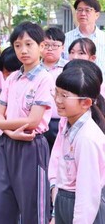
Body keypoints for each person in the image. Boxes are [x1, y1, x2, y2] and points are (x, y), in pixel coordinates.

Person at [0, 21, 54, 224]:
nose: (23, 50)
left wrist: (0, 126)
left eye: (29, 44)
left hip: (31, 146)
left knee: (33, 210)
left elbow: (32, 121)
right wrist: (9, 132)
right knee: (2, 207)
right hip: (7, 145)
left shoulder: (44, 79)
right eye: (17, 45)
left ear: (41, 47)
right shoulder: (12, 78)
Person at [48, 62, 105, 223]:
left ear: (86, 103)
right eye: (56, 93)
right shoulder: (69, 125)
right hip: (65, 201)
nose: (57, 100)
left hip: (79, 207)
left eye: (64, 96)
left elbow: (87, 193)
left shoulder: (87, 138)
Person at [0, 46, 22, 223]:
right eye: (4, 73)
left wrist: (0, 126)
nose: (6, 77)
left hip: (23, 140)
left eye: (9, 73)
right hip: (3, 136)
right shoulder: (3, 79)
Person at [41, 27, 68, 152]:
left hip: (62, 121)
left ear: (63, 47)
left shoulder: (68, 68)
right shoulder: (34, 68)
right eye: (46, 45)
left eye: (55, 45)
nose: (50, 49)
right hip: (39, 123)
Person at [64, 0, 105, 72]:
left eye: (87, 10)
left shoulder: (103, 38)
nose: (83, 13)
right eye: (79, 10)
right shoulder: (65, 38)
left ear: (97, 15)